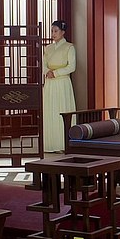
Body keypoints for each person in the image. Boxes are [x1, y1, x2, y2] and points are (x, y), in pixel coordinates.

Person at [42, 20, 76, 153]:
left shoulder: (69, 47)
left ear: (63, 32)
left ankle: (62, 144)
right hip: (50, 83)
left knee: (62, 109)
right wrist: (47, 71)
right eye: (52, 31)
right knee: (50, 111)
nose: (53, 34)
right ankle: (49, 144)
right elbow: (43, 64)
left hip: (62, 83)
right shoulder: (48, 48)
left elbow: (72, 67)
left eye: (56, 31)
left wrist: (55, 73)